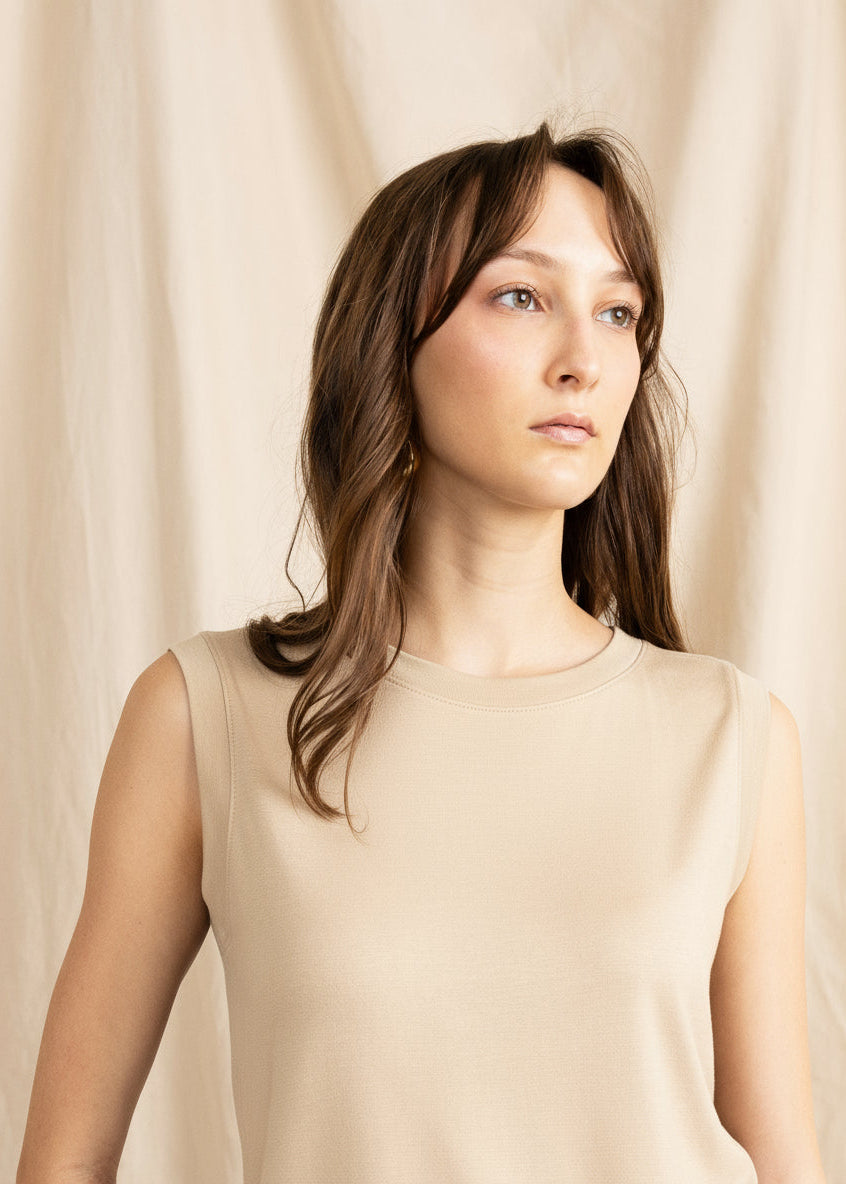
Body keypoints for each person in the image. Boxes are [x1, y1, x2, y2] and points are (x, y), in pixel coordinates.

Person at [16, 120, 828, 1184]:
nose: (584, 358)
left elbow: (785, 1162)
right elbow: (61, 1163)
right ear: (391, 337)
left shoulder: (733, 735)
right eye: (523, 296)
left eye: (618, 311)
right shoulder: (205, 714)